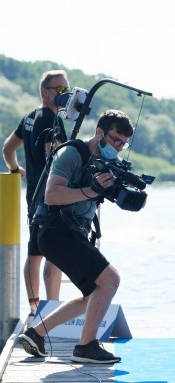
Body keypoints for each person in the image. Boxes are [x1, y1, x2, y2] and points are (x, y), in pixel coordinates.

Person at [18, 109, 136, 364]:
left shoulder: (105, 161)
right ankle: (86, 347)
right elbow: (53, 195)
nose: (118, 147)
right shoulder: (72, 153)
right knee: (110, 280)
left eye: (123, 144)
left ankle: (36, 333)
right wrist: (91, 189)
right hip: (54, 231)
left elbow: (97, 194)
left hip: (71, 233)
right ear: (100, 132)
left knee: (95, 291)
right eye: (115, 140)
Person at [2, 70, 69, 324]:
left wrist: (14, 169)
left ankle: (34, 311)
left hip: (32, 195)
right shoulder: (52, 120)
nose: (65, 95)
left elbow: (8, 148)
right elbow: (55, 160)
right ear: (45, 91)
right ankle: (52, 311)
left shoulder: (29, 117)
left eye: (67, 90)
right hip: (51, 196)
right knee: (54, 252)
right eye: (60, 90)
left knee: (35, 250)